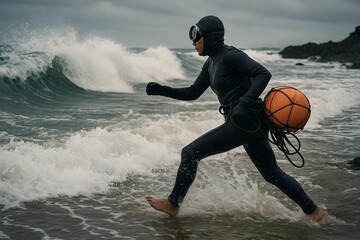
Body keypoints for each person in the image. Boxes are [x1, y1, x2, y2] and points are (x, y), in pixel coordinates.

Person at [145, 15, 326, 222]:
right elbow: (193, 92)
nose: (193, 42)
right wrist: (162, 90)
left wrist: (243, 103)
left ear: (211, 36)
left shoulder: (231, 55)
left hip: (244, 120)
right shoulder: (211, 63)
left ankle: (173, 203)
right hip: (248, 122)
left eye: (196, 36)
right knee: (272, 174)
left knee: (190, 153)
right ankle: (315, 212)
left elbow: (262, 73)